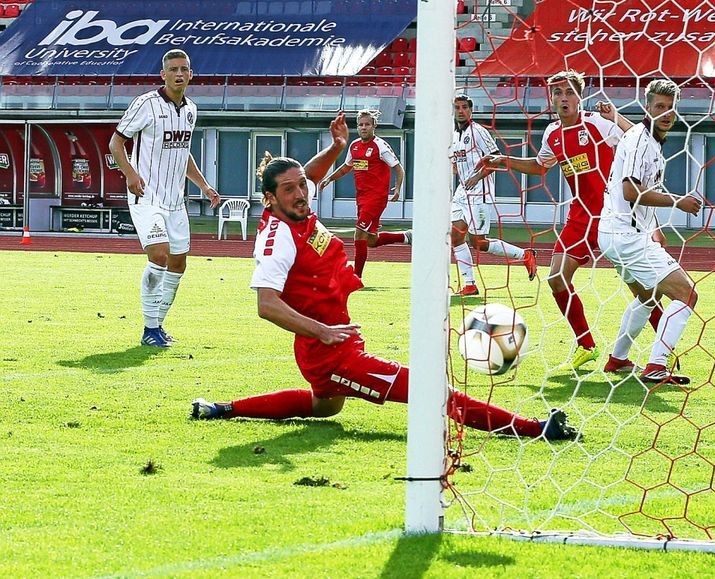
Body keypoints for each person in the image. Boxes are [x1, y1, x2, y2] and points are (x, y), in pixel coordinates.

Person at [190, 136, 578, 442]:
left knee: (323, 408)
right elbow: (266, 304)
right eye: (289, 190)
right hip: (330, 353)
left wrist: (337, 148)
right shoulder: (278, 239)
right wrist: (323, 331)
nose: (301, 193)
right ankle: (536, 428)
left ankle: (222, 409)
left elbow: (307, 173)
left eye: (302, 187)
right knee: (430, 392)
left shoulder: (297, 207)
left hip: (333, 342)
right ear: (270, 199)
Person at [476, 71, 662, 370]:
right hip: (580, 215)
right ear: (551, 99)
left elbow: (639, 142)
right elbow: (540, 167)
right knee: (557, 278)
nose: (563, 98)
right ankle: (586, 344)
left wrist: (616, 118)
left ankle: (664, 352)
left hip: (616, 215)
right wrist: (503, 161)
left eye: (569, 92)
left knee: (641, 289)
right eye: (558, 93)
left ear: (580, 95)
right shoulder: (552, 133)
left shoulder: (598, 123)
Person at [108, 48, 220, 348]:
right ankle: (149, 327)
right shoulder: (146, 104)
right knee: (159, 254)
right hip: (146, 196)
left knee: (179, 264)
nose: (179, 74)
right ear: (163, 74)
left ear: (191, 74)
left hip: (175, 201)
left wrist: (205, 186)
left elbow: (183, 156)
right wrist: (130, 174)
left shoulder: (191, 110)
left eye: (184, 69)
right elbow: (116, 142)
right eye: (173, 69)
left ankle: (158, 325)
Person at [599, 79, 700, 385]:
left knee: (647, 297)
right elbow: (631, 190)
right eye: (659, 106)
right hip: (627, 236)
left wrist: (652, 227)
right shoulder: (641, 141)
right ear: (648, 107)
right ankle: (657, 365)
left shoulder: (645, 137)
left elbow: (636, 133)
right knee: (686, 294)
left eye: (671, 107)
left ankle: (617, 359)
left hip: (615, 234)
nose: (667, 113)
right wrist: (677, 202)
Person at [444, 94, 537, 296]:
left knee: (478, 242)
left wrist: (477, 176)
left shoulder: (478, 132)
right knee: (456, 237)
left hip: (480, 192)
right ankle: (469, 284)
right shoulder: (454, 135)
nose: (460, 111)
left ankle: (525, 255)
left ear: (471, 110)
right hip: (463, 192)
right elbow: (457, 164)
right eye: (457, 107)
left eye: (464, 107)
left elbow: (495, 158)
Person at [317, 109, 407, 278]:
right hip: (362, 198)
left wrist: (397, 189)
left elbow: (398, 168)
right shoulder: (355, 145)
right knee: (370, 241)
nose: (363, 128)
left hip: (376, 198)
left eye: (367, 124)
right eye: (360, 125)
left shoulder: (380, 146)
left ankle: (356, 276)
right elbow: (346, 167)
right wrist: (329, 178)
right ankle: (405, 237)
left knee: (359, 231)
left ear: (374, 126)